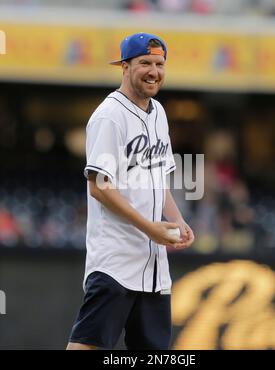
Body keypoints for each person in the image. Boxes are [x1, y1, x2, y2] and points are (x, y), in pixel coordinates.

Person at [67, 32, 194, 350]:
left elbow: (158, 179)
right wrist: (151, 228)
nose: (154, 71)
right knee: (87, 346)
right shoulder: (110, 116)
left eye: (159, 63)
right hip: (116, 262)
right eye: (144, 63)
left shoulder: (159, 113)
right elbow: (99, 186)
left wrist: (176, 219)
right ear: (124, 66)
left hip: (153, 268)